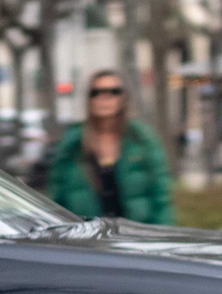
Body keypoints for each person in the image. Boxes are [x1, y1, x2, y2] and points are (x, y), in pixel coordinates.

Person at [44, 70, 175, 224]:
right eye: (96, 92)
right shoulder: (72, 142)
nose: (104, 98)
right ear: (89, 99)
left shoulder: (142, 138)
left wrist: (159, 234)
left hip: (136, 235)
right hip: (86, 238)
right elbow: (57, 196)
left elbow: (161, 195)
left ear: (124, 97)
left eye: (113, 92)